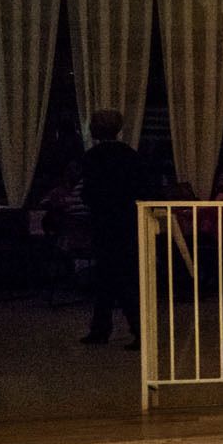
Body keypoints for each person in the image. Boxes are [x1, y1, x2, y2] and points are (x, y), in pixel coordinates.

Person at [78, 109, 148, 349]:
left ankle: (102, 330)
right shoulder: (131, 155)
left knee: (106, 278)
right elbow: (143, 189)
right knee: (127, 278)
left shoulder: (91, 158)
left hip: (103, 224)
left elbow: (88, 193)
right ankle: (137, 331)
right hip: (128, 223)